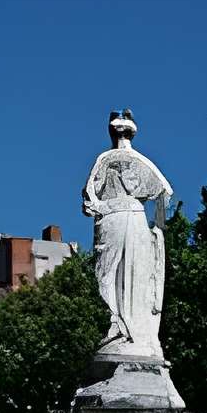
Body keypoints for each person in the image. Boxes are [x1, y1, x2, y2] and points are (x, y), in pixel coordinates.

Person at [82, 110, 173, 357]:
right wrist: (157, 225)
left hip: (122, 219)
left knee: (114, 275)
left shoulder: (105, 158)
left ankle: (124, 328)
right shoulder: (139, 161)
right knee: (123, 274)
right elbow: (165, 194)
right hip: (128, 219)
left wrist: (156, 229)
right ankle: (123, 327)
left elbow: (88, 199)